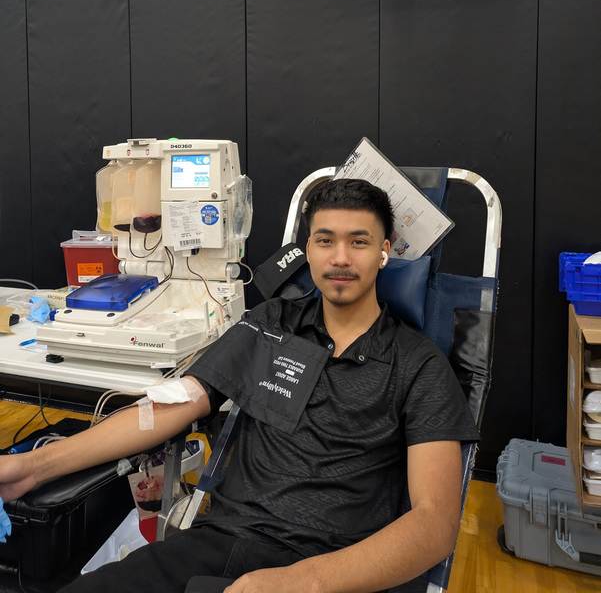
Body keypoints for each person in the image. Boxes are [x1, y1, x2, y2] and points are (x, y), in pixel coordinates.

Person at [0, 179, 479, 593]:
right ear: (308, 249)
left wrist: (302, 581)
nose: (339, 258)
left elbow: (435, 524)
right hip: (218, 545)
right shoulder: (270, 325)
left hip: (333, 568)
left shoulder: (418, 365)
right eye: (325, 240)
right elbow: (175, 405)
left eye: (359, 241)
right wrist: (32, 467)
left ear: (384, 250)